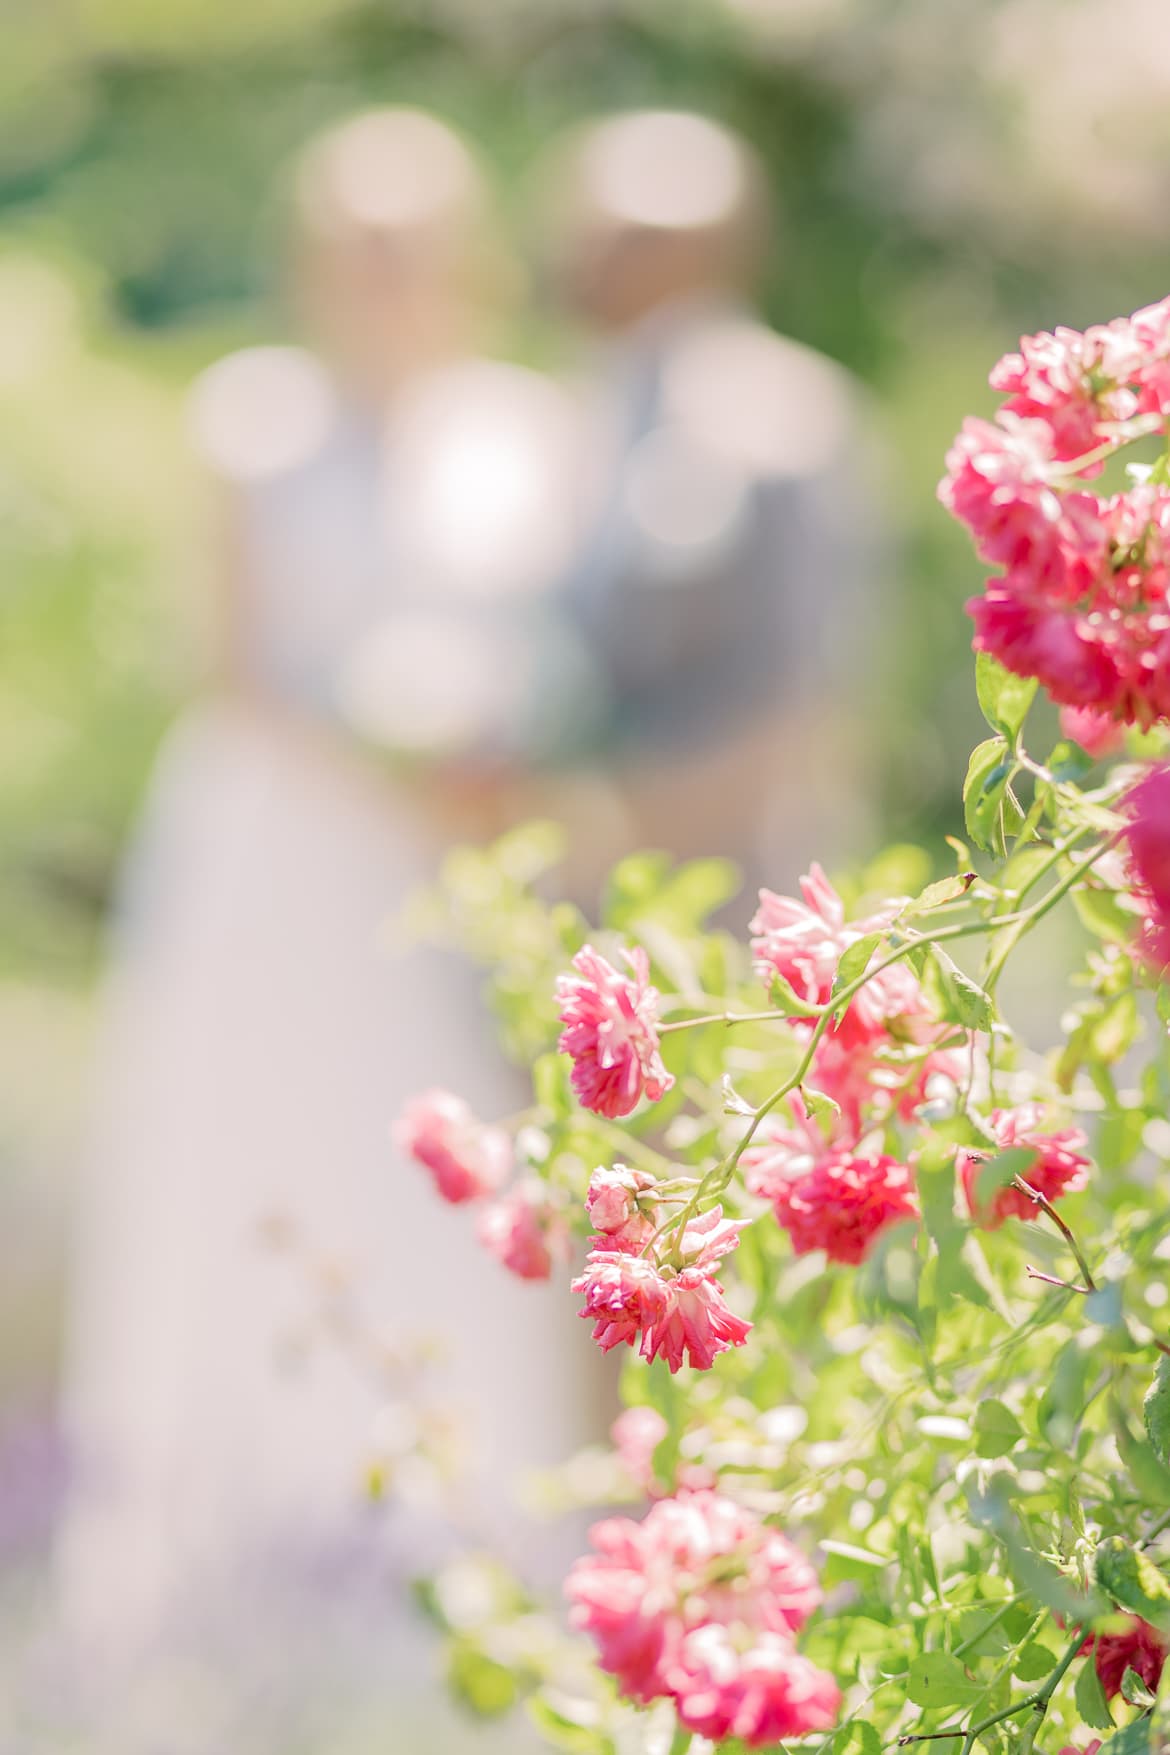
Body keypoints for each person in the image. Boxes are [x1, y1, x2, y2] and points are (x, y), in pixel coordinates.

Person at [55, 109, 606, 1743]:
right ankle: (219, 1591)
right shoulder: (255, 419)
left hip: (457, 885)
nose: (386, 278)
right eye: (356, 246)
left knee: (455, 1198)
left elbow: (561, 653)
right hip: (279, 868)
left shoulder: (534, 430)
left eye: (414, 245)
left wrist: (498, 771)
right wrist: (390, 766)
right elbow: (239, 674)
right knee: (252, 1185)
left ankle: (468, 1585)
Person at [537, 109, 888, 892]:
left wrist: (621, 836)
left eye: (621, 234)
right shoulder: (577, 405)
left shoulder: (786, 417)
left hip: (733, 883)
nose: (580, 254)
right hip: (589, 892)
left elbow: (811, 683)